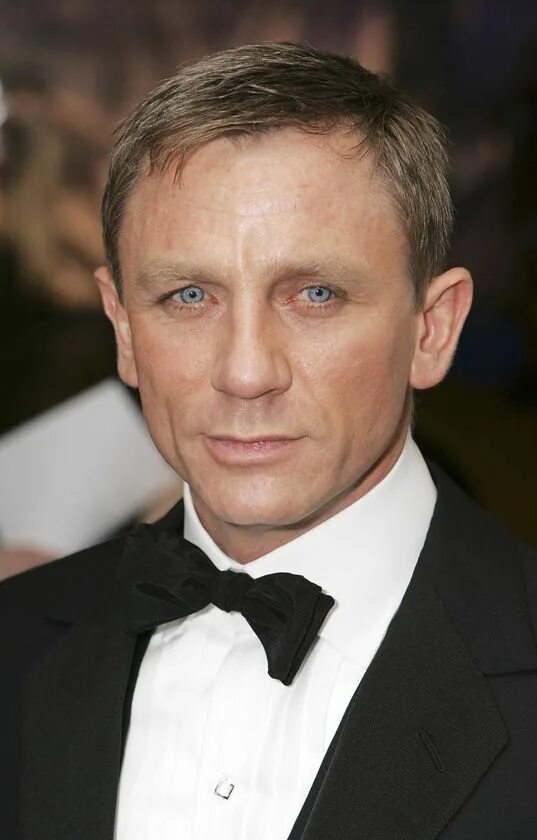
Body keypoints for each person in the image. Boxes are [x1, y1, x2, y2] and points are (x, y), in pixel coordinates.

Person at [1, 42, 536, 840]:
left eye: (315, 294)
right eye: (189, 295)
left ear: (431, 329)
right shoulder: (14, 640)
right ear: (123, 328)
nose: (246, 373)